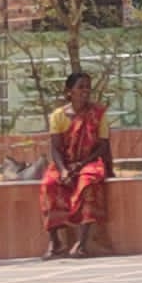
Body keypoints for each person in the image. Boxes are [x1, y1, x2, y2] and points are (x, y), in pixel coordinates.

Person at [39, 71, 112, 259]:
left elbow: (103, 145)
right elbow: (55, 148)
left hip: (90, 161)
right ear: (69, 91)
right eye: (80, 87)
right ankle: (55, 242)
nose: (85, 91)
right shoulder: (58, 116)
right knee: (49, 184)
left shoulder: (98, 114)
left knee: (88, 183)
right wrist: (63, 170)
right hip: (65, 162)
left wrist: (81, 165)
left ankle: (81, 243)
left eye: (88, 87)